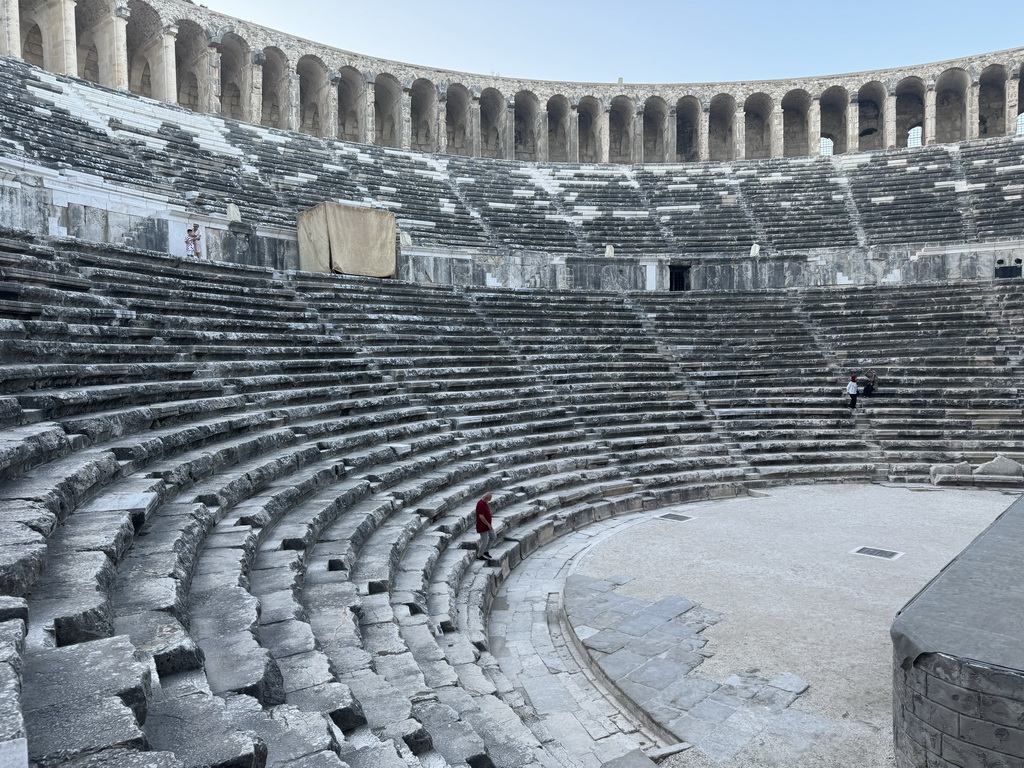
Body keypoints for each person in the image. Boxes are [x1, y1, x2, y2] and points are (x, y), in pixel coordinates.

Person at [475, 492, 494, 560]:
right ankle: (479, 555)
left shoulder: (485, 503)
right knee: (484, 541)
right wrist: (488, 524)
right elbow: (481, 516)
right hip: (483, 526)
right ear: (486, 498)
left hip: (488, 525)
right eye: (489, 499)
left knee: (493, 537)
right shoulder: (480, 504)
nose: (490, 500)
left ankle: (486, 551)